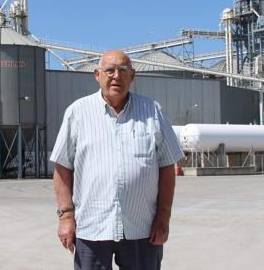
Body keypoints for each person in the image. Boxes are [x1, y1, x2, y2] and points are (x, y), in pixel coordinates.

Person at [51, 50, 183, 270]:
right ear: (97, 75)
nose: (116, 76)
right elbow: (62, 166)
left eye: (123, 70)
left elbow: (167, 167)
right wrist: (66, 216)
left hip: (142, 228)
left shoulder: (152, 111)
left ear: (133, 76)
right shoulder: (78, 112)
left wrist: (163, 216)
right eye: (110, 70)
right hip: (91, 227)